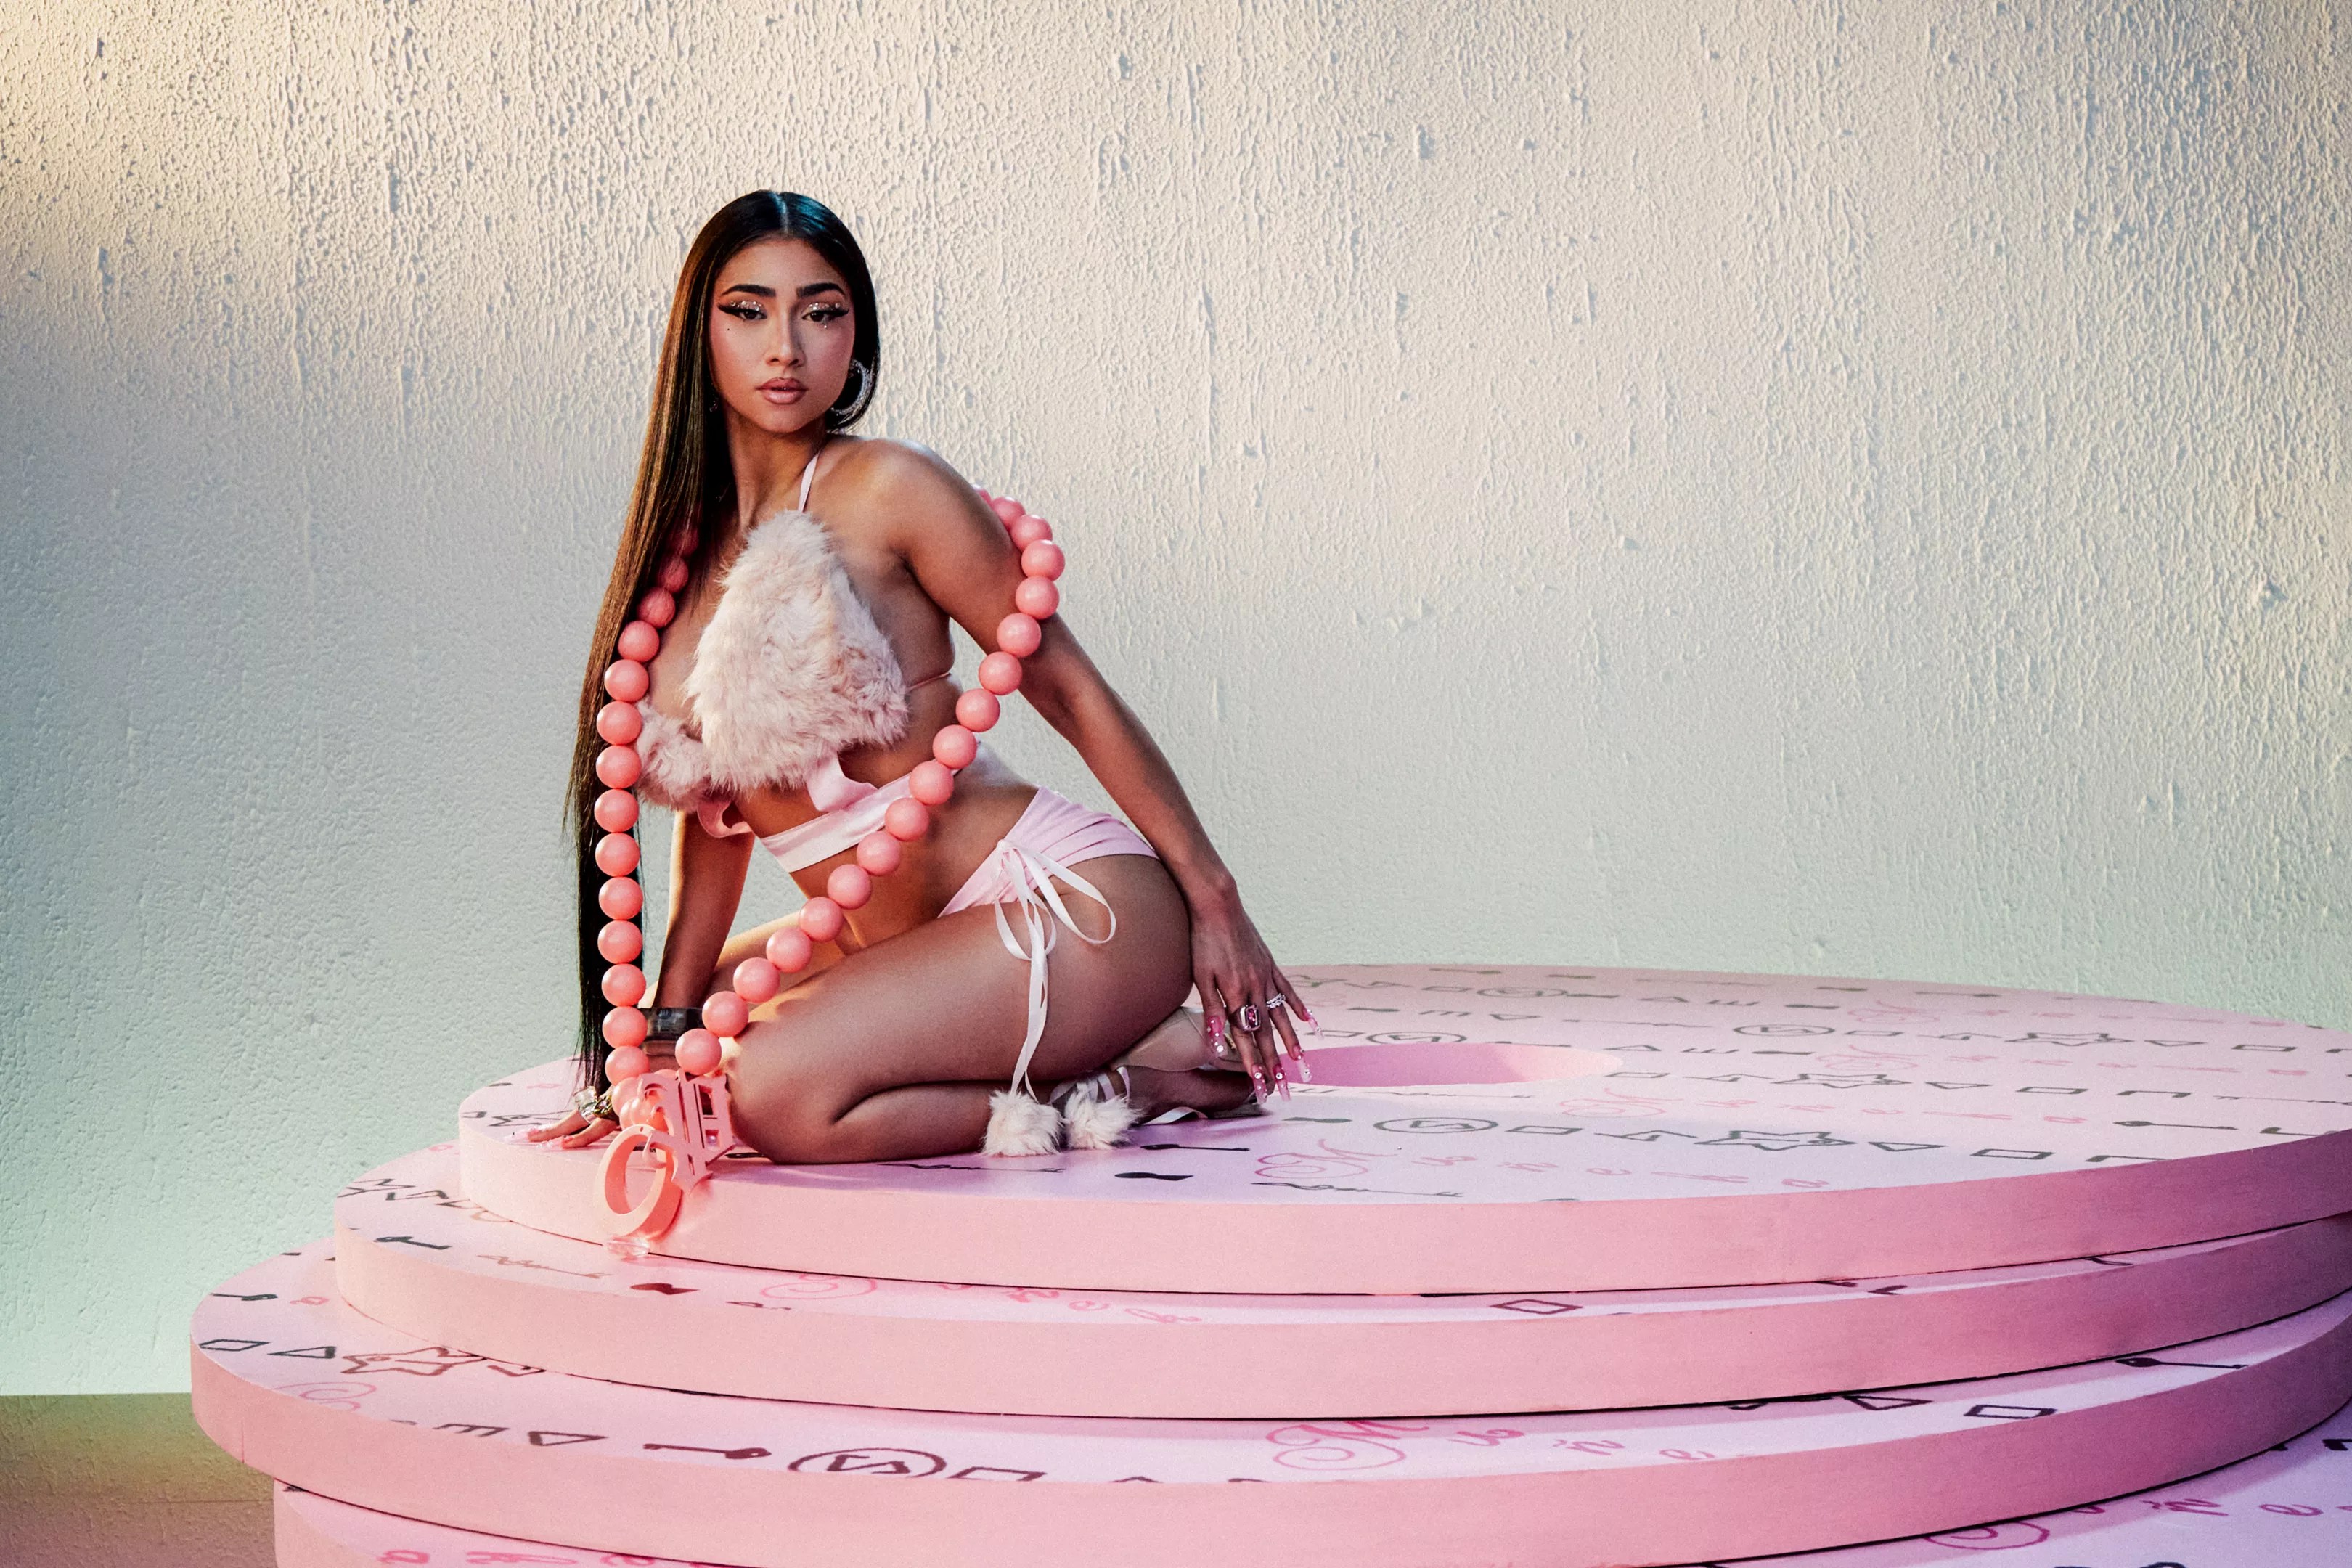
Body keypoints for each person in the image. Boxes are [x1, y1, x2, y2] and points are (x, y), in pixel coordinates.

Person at [529, 191, 1309, 1166]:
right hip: (903, 941)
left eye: (820, 312)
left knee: (767, 1091)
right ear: (701, 333)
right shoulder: (682, 554)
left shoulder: (891, 486)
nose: (785, 348)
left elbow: (1070, 690)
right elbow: (719, 817)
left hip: (1065, 907)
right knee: (685, 1043)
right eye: (748, 311)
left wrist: (1216, 900)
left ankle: (1125, 1079)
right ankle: (1110, 1057)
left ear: (854, 338)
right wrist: (664, 1033)